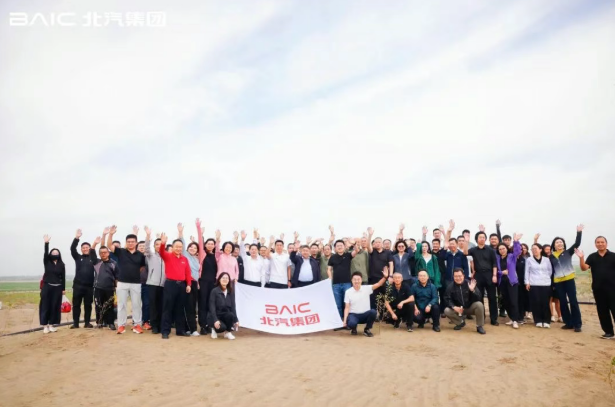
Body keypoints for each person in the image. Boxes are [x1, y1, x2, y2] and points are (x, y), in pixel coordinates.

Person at [107, 225, 146, 334]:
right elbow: (109, 245)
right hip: (122, 282)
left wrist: (133, 273)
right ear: (126, 242)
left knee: (137, 305)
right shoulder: (121, 252)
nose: (130, 243)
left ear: (136, 243)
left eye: (132, 241)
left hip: (136, 283)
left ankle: (137, 325)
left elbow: (142, 267)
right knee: (122, 305)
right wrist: (110, 234)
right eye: (128, 242)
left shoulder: (140, 255)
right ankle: (121, 325)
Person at [577, 237, 615, 339]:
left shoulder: (613, 256)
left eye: (602, 242)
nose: (600, 244)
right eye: (598, 242)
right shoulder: (592, 257)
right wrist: (581, 258)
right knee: (602, 311)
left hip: (613, 289)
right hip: (598, 289)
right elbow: (584, 268)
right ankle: (609, 332)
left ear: (606, 243)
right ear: (595, 244)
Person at [549, 225, 584, 333]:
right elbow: (551, 271)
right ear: (554, 245)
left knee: (573, 301)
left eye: (561, 242)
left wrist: (579, 232)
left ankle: (577, 324)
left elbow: (577, 243)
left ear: (563, 244)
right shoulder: (551, 256)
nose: (559, 243)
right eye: (557, 242)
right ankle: (568, 323)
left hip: (569, 280)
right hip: (558, 282)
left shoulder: (568, 252)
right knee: (563, 302)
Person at [158, 233, 192, 339]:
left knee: (180, 309)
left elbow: (188, 272)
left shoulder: (184, 259)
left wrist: (189, 284)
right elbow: (161, 252)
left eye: (180, 247)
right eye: (176, 246)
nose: (178, 248)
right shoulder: (168, 256)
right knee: (167, 308)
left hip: (182, 285)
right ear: (172, 247)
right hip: (170, 284)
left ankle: (180, 330)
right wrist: (163, 243)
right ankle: (165, 331)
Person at [463, 230, 499, 326]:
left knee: (492, 297)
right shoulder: (473, 250)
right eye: (480, 237)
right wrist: (466, 241)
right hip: (478, 275)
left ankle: (494, 319)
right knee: (479, 297)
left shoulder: (490, 250)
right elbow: (465, 253)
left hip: (489, 275)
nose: (482, 239)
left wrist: (494, 275)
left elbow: (494, 264)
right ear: (476, 239)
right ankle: (481, 317)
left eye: (483, 237)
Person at [343, 268, 389, 337]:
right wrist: (344, 321)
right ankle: (353, 329)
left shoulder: (366, 288)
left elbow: (379, 284)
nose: (356, 281)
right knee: (351, 323)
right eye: (354, 279)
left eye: (358, 279)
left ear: (361, 280)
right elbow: (347, 307)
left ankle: (367, 329)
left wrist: (385, 277)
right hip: (354, 315)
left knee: (373, 312)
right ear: (352, 280)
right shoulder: (348, 292)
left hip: (365, 314)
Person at [443, 268, 486, 334]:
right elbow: (447, 299)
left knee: (479, 304)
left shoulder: (470, 283)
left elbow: (479, 297)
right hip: (458, 309)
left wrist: (472, 290)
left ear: (463, 276)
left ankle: (479, 326)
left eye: (460, 276)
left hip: (469, 307)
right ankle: (460, 322)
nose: (458, 278)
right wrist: (454, 307)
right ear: (453, 277)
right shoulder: (450, 287)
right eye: (456, 276)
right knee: (447, 310)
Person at [177, 223, 201, 336]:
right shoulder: (185, 255)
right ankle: (192, 329)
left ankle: (191, 328)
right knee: (187, 306)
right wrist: (180, 232)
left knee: (192, 307)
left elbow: (197, 273)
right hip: (186, 282)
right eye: (191, 247)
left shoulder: (197, 259)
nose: (192, 249)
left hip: (195, 284)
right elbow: (181, 243)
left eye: (195, 248)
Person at [70, 229, 95, 329]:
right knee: (76, 305)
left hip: (89, 287)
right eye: (83, 248)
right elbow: (72, 249)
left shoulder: (94, 259)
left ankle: (87, 323)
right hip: (78, 286)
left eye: (87, 247)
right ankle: (75, 323)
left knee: (88, 305)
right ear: (81, 249)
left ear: (90, 249)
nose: (85, 249)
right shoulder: (77, 257)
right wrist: (77, 238)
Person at [496, 234, 523, 329]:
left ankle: (515, 320)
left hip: (512, 282)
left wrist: (516, 241)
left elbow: (518, 251)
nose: (502, 250)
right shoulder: (497, 258)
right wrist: (501, 272)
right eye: (500, 249)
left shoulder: (512, 256)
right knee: (506, 301)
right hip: (502, 282)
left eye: (503, 248)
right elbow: (495, 270)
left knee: (513, 301)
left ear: (507, 248)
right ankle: (511, 318)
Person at [328, 240, 360, 320]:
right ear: (335, 248)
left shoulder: (348, 255)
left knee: (347, 303)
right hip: (336, 284)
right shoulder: (332, 257)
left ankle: (347, 320)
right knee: (338, 304)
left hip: (347, 283)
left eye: (341, 245)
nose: (339, 247)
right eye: (337, 246)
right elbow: (329, 269)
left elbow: (356, 250)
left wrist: (354, 244)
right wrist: (330, 278)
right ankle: (339, 321)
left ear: (344, 247)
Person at [197, 219, 218, 335]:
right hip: (203, 282)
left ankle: (210, 325)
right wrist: (199, 229)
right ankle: (203, 326)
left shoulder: (216, 256)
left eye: (212, 244)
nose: (210, 245)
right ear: (205, 245)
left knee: (211, 304)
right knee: (203, 304)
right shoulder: (203, 254)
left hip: (213, 283)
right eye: (208, 243)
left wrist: (218, 238)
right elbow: (200, 242)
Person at [40, 235, 65, 334]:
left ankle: (51, 325)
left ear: (59, 255)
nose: (55, 254)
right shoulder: (47, 262)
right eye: (53, 253)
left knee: (55, 306)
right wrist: (46, 243)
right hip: (47, 287)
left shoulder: (61, 264)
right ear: (50, 254)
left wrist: (63, 289)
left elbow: (63, 277)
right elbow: (45, 253)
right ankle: (45, 326)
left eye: (56, 253)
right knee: (45, 306)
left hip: (57, 288)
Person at [525, 243, 554, 328]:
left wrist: (545, 278)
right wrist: (527, 282)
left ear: (540, 250)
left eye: (536, 248)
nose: (534, 250)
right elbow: (527, 271)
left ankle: (546, 321)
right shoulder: (529, 260)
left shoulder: (546, 260)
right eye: (532, 249)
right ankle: (538, 320)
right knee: (536, 302)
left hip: (546, 284)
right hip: (534, 283)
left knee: (545, 302)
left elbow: (550, 271)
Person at [144, 226, 165, 334]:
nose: (159, 246)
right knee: (153, 306)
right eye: (157, 244)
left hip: (164, 285)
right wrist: (148, 236)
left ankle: (161, 325)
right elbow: (146, 248)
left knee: (161, 306)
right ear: (154, 246)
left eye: (161, 244)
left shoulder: (167, 256)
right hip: (152, 284)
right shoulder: (150, 255)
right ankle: (154, 326)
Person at [92, 245, 119, 330]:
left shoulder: (114, 263)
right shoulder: (96, 262)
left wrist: (116, 288)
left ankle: (111, 323)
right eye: (101, 253)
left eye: (105, 252)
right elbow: (91, 252)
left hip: (110, 288)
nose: (103, 254)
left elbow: (116, 277)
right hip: (98, 288)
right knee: (98, 306)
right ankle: (99, 323)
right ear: (99, 254)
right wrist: (95, 244)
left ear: (108, 253)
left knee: (110, 306)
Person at [367, 228, 394, 311]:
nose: (378, 244)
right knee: (373, 297)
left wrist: (390, 276)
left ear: (382, 244)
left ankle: (385, 314)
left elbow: (391, 264)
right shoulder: (372, 251)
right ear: (374, 244)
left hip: (384, 278)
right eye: (376, 242)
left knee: (386, 297)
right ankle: (374, 313)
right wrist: (370, 235)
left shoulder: (388, 252)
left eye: (379, 242)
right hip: (373, 278)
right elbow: (368, 246)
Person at [208, 272, 239, 340]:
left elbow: (233, 307)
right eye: (223, 278)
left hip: (225, 315)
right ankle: (214, 329)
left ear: (229, 280)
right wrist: (215, 320)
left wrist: (236, 320)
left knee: (231, 315)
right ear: (219, 279)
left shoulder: (231, 292)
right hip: (215, 315)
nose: (225, 279)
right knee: (222, 328)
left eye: (227, 278)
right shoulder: (214, 291)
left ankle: (228, 332)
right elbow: (212, 307)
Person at [516, 243, 530, 322]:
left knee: (521, 299)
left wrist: (526, 282)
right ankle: (514, 316)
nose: (519, 250)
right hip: (512, 282)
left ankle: (521, 316)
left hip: (522, 283)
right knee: (514, 299)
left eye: (521, 249)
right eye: (517, 249)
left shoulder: (524, 260)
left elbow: (527, 272)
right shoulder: (511, 258)